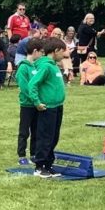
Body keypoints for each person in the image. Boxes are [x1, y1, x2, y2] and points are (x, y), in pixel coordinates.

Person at [26, 38, 68, 178]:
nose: (64, 54)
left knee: (54, 137)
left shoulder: (54, 66)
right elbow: (32, 84)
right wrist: (37, 102)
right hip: (47, 108)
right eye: (62, 51)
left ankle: (48, 165)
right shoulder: (46, 66)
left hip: (57, 106)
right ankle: (39, 166)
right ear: (55, 51)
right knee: (45, 137)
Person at [15, 38, 42, 160]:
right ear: (35, 51)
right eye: (41, 52)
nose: (42, 55)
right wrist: (35, 100)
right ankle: (21, 155)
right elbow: (25, 88)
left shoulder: (36, 67)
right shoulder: (23, 68)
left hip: (37, 104)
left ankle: (33, 154)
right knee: (24, 131)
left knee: (36, 131)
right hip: (27, 104)